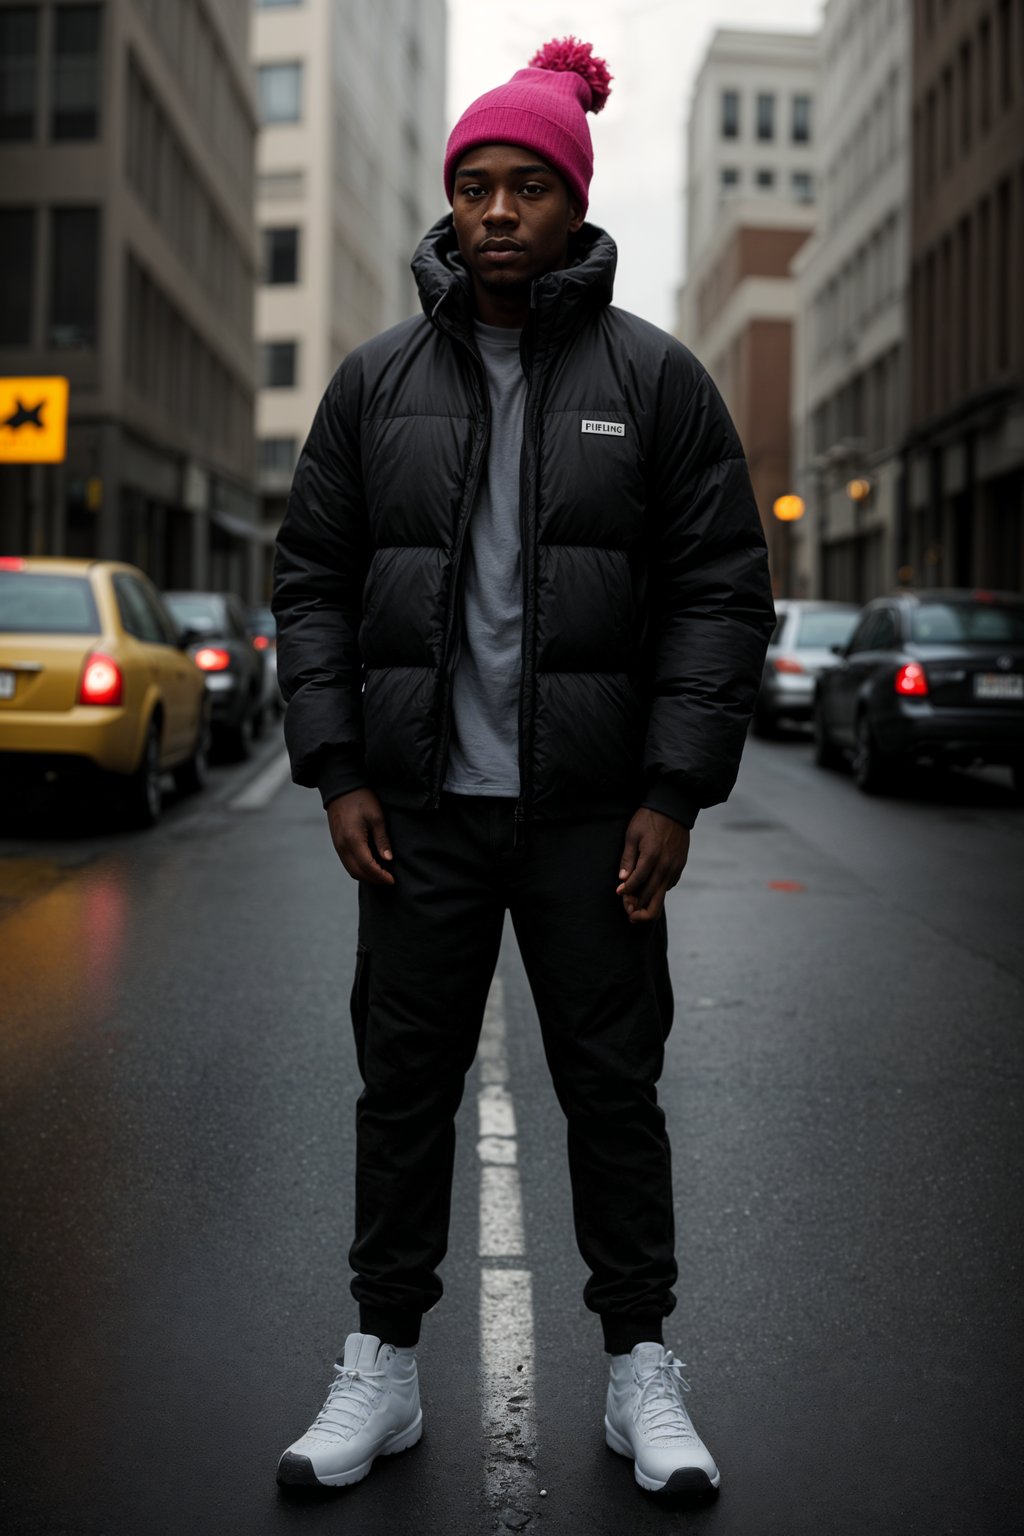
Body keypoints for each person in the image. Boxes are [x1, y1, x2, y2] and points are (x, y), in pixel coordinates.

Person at [271, 37, 775, 1499]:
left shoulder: (658, 383)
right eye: (477, 186)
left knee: (613, 1090)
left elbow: (720, 589)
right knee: (401, 1088)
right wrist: (337, 766)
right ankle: (381, 1369)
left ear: (574, 206)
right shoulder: (375, 385)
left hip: (589, 820)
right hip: (419, 815)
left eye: (529, 188)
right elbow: (313, 579)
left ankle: (640, 1373)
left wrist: (673, 789)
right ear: (452, 206)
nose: (499, 212)